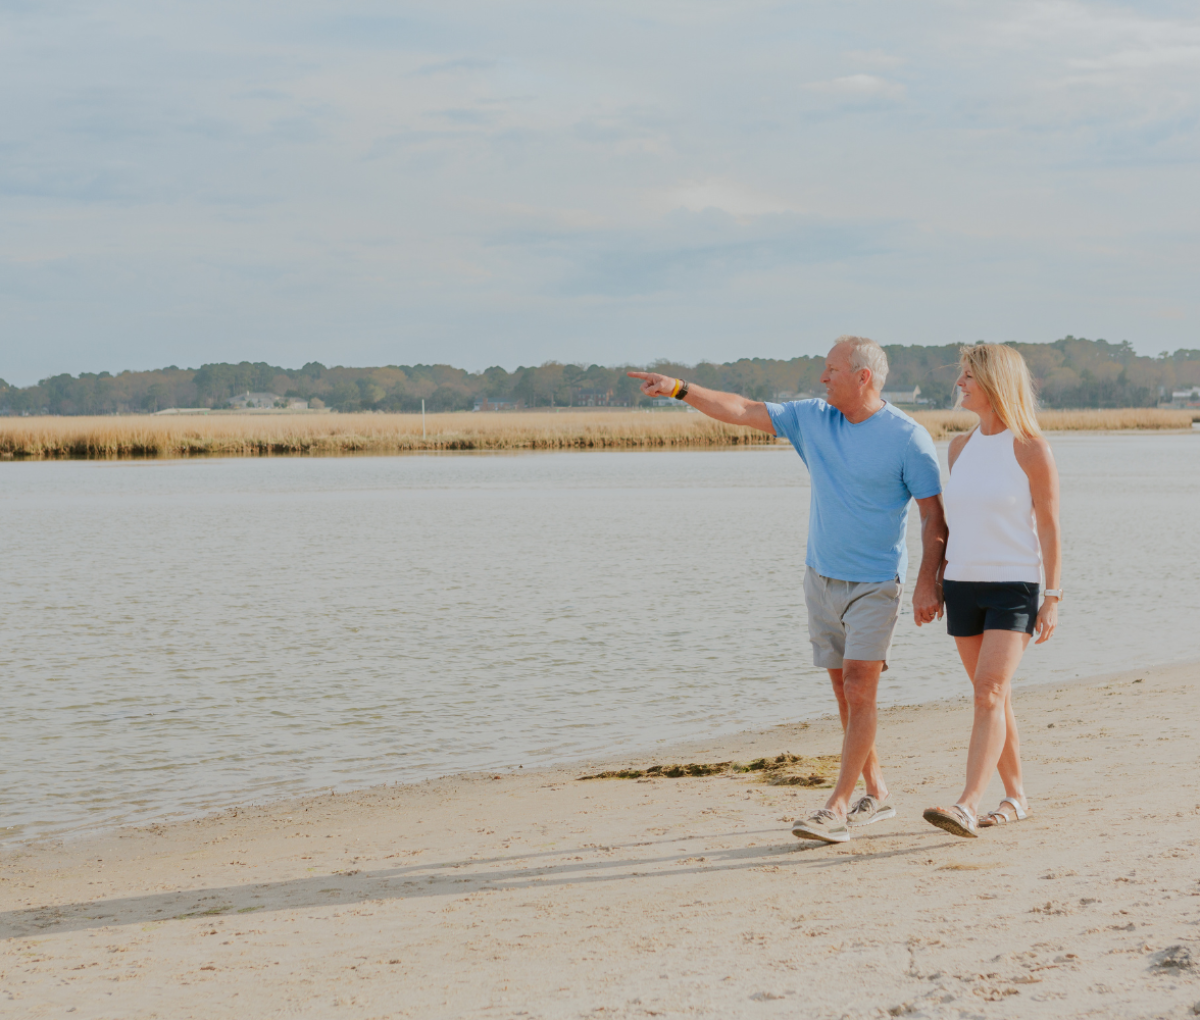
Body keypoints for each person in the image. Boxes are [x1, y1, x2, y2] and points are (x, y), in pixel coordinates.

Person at [629, 336, 947, 844]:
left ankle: (836, 808)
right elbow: (744, 409)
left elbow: (933, 515)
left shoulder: (908, 438)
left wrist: (929, 581)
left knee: (862, 688)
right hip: (820, 576)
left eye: (832, 369)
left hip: (875, 583)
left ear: (862, 376)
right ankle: (876, 791)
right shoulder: (813, 418)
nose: (823, 379)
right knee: (846, 692)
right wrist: (680, 389)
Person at [922, 344, 1061, 838]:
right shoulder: (959, 447)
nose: (959, 384)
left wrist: (1053, 595)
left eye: (967, 377)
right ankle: (1018, 797)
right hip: (962, 585)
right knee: (993, 699)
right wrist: (934, 583)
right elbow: (950, 523)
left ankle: (966, 803)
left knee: (990, 692)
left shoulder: (1030, 448)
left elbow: (1049, 525)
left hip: (1014, 586)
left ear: (994, 383)